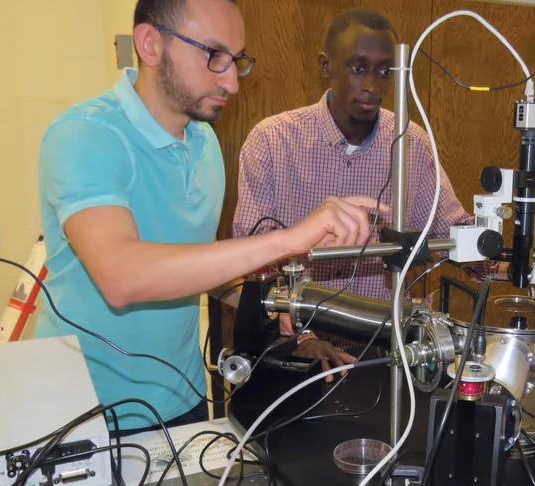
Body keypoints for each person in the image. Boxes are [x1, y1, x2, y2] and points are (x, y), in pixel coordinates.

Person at [34, 0, 382, 432]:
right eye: (213, 56)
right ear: (150, 44)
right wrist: (290, 238)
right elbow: (121, 277)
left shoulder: (205, 144)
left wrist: (275, 297)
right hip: (82, 413)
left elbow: (199, 264)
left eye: (236, 60)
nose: (232, 81)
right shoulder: (85, 135)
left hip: (182, 399)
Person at [232, 8, 473, 372]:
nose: (373, 85)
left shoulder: (412, 145)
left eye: (385, 71)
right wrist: (302, 338)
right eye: (358, 68)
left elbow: (452, 233)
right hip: (293, 353)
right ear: (326, 66)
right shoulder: (270, 142)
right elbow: (251, 263)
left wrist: (506, 255)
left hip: (384, 352)